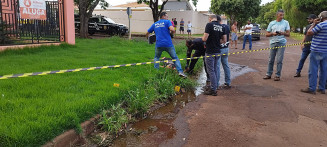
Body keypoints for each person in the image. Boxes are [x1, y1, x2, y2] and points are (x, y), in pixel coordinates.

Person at [146, 12, 187, 78]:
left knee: (157, 57)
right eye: (167, 16)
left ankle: (156, 72)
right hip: (168, 44)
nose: (167, 17)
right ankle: (180, 72)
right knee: (175, 58)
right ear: (163, 16)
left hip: (159, 44)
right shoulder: (167, 22)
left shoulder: (155, 24)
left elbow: (147, 32)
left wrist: (148, 38)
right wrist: (172, 33)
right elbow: (172, 29)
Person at [301, 11, 327, 94]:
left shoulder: (320, 25)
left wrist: (313, 24)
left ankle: (312, 88)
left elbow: (309, 33)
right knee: (324, 70)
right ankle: (322, 88)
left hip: (316, 50)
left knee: (313, 70)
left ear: (321, 18)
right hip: (325, 51)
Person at [202, 14, 226, 96]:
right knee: (215, 70)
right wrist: (216, 42)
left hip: (210, 51)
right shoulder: (221, 26)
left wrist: (204, 39)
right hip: (218, 51)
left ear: (210, 19)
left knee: (211, 71)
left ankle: (213, 89)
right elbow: (224, 40)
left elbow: (204, 38)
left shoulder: (209, 25)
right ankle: (214, 87)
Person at [263, 9, 290, 81]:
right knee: (271, 59)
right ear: (277, 15)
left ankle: (277, 75)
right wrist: (272, 33)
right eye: (280, 15)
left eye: (283, 15)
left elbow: (288, 34)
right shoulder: (272, 23)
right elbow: (266, 34)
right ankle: (268, 74)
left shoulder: (286, 22)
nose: (282, 16)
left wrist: (283, 33)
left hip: (281, 42)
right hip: (273, 42)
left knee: (279, 60)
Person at [217, 18, 231, 89]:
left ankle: (216, 84)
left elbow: (221, 39)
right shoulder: (227, 27)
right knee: (226, 65)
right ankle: (228, 82)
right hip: (226, 48)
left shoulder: (219, 27)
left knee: (217, 66)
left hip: (220, 49)